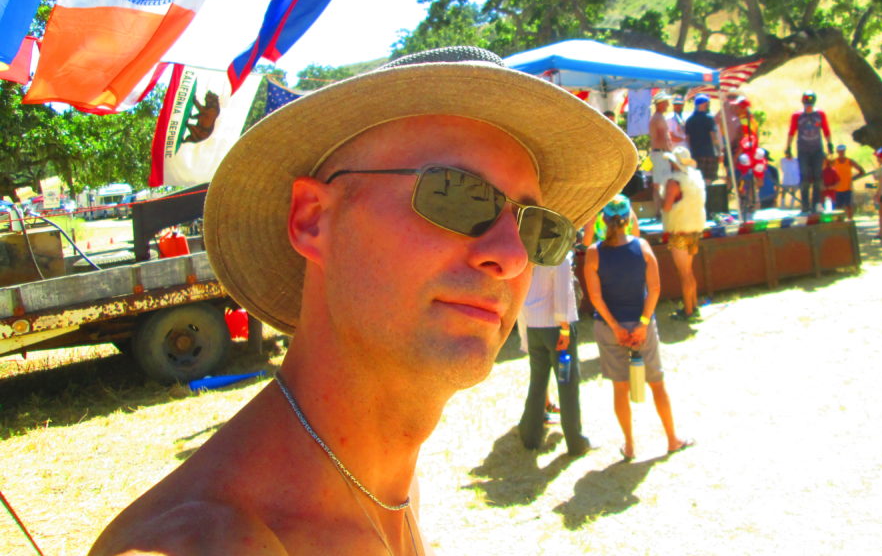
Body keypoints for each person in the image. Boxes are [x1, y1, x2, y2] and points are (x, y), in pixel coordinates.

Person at [89, 46, 637, 556]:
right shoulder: (200, 543)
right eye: (455, 194)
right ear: (314, 219)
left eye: (537, 228)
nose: (513, 257)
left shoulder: (393, 492)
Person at [583, 195, 693, 460]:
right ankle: (672, 438)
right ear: (629, 218)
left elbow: (595, 297)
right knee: (657, 383)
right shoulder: (642, 247)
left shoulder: (594, 253)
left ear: (603, 219)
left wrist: (615, 327)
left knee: (620, 388)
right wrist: (642, 323)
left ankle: (630, 445)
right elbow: (654, 289)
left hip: (609, 328)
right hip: (641, 325)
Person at [517, 252, 590, 456]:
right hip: (556, 328)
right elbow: (562, 293)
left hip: (533, 325)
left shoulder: (529, 254)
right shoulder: (559, 256)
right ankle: (576, 441)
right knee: (568, 384)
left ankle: (530, 435)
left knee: (538, 382)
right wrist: (564, 329)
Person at [661, 147, 706, 320]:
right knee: (689, 272)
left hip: (679, 232)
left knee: (684, 273)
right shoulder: (695, 180)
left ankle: (688, 311)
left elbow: (667, 207)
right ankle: (692, 306)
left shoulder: (673, 183)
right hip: (693, 231)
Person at [786, 91, 833, 213]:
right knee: (804, 177)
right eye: (807, 104)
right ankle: (805, 204)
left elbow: (826, 130)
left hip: (817, 149)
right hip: (803, 150)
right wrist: (788, 147)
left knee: (818, 177)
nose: (808, 106)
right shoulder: (797, 115)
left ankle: (816, 203)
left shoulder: (820, 114)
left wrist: (829, 144)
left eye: (810, 104)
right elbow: (792, 131)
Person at [684, 94, 722, 183]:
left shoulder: (689, 120)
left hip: (695, 154)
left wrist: (690, 152)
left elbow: (687, 138)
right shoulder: (709, 118)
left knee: (697, 179)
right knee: (708, 179)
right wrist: (719, 151)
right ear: (703, 104)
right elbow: (713, 136)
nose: (708, 105)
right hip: (709, 153)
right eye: (707, 103)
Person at [648, 92, 674, 219]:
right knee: (662, 183)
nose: (668, 105)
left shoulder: (657, 118)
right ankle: (661, 211)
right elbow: (663, 137)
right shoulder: (658, 119)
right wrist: (670, 155)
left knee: (659, 183)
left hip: (659, 153)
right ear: (659, 104)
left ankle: (660, 210)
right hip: (661, 153)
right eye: (665, 103)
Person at [832, 144, 865, 218]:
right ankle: (838, 222)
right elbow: (827, 171)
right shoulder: (834, 162)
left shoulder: (849, 161)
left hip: (847, 189)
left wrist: (852, 178)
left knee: (849, 206)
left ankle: (850, 221)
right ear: (837, 152)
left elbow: (862, 171)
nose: (841, 153)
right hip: (837, 189)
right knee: (837, 208)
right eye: (840, 151)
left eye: (842, 151)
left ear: (844, 151)